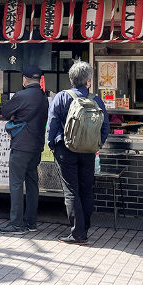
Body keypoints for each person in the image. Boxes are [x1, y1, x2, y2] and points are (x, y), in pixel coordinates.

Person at [47, 61, 110, 245]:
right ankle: (84, 228)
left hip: (65, 150)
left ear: (71, 79)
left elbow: (51, 125)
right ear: (88, 81)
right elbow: (105, 126)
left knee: (71, 190)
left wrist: (52, 144)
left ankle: (78, 234)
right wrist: (97, 144)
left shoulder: (61, 97)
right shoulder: (96, 100)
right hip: (89, 151)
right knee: (86, 189)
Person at [0, 65, 49, 235]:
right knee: (32, 182)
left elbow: (5, 111)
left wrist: (14, 115)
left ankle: (16, 224)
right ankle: (31, 222)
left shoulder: (21, 95)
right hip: (36, 146)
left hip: (21, 145)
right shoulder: (44, 97)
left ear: (25, 79)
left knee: (16, 183)